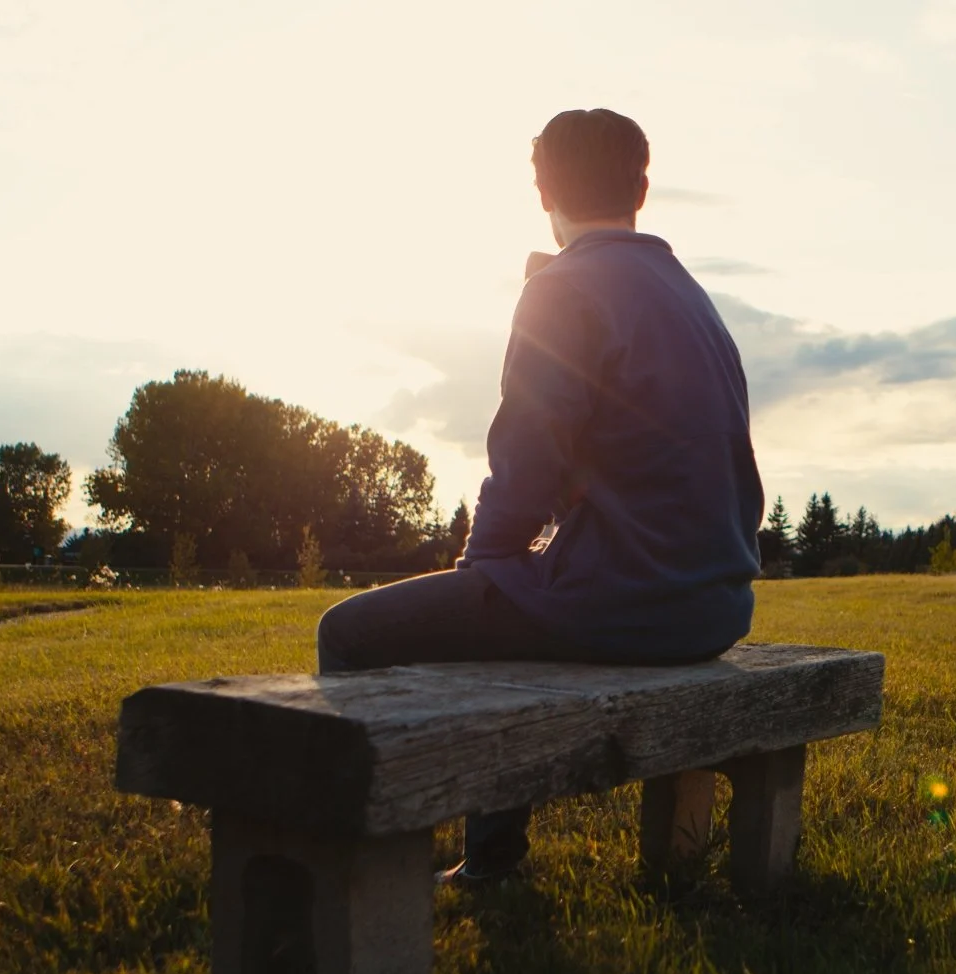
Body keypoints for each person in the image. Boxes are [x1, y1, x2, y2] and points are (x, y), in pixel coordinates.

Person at [316, 108, 764, 885]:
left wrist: (483, 563)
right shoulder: (688, 293)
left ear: (542, 187)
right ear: (642, 188)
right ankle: (490, 859)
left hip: (629, 602)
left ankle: (363, 873)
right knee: (501, 607)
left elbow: (526, 460)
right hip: (715, 604)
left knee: (349, 633)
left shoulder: (564, 287)